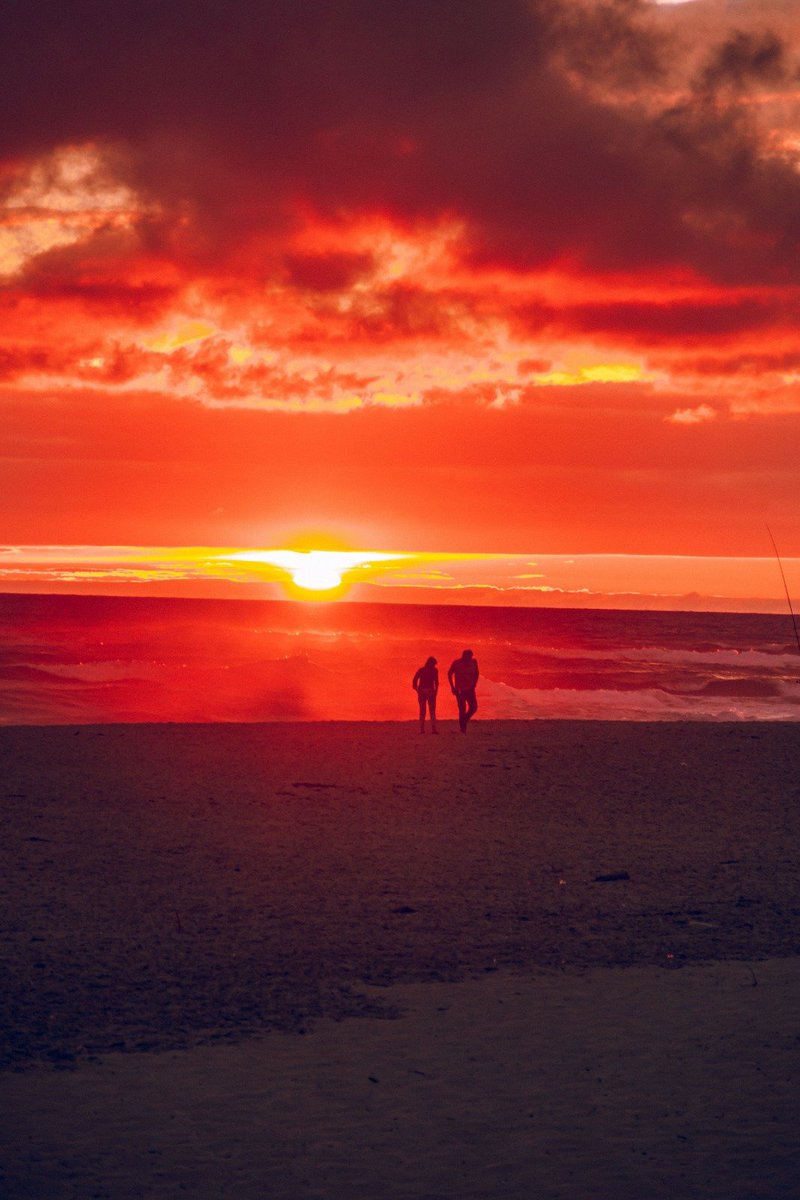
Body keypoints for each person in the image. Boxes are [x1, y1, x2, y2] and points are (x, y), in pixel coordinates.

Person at [447, 648, 479, 733]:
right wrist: (452, 687)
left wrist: (474, 683)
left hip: (470, 689)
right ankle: (463, 729)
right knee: (462, 709)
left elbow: (477, 673)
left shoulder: (474, 662)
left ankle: (464, 720)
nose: (469, 659)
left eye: (470, 657)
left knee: (474, 707)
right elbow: (449, 673)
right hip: (459, 689)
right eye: (468, 657)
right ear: (463, 656)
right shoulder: (457, 663)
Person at [412, 655, 439, 733]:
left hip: (422, 691)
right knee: (432, 711)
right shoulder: (434, 670)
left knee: (422, 710)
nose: (434, 666)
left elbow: (414, 681)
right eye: (433, 664)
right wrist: (436, 691)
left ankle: (422, 729)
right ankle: (433, 729)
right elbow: (436, 682)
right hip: (430, 691)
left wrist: (417, 690)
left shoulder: (421, 670)